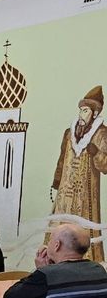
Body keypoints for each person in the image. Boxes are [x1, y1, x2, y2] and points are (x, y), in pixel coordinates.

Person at [48, 86, 107, 262]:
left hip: (86, 195)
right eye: (80, 110)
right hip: (66, 191)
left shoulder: (102, 133)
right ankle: (54, 257)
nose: (81, 114)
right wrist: (57, 181)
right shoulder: (69, 133)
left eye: (86, 111)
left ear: (95, 113)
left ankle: (85, 261)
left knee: (83, 226)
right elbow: (61, 158)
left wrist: (95, 151)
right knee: (59, 223)